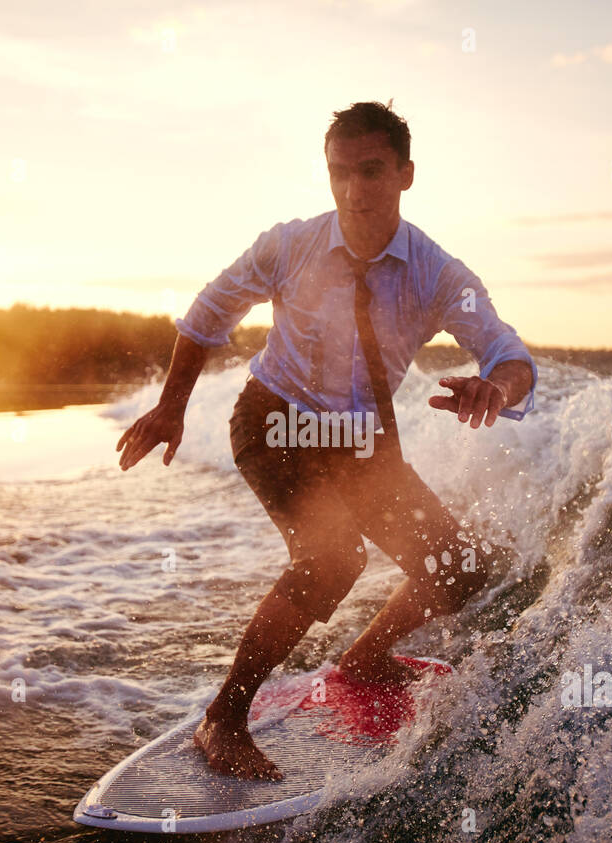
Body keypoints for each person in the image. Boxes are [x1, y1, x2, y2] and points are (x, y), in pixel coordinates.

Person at [115, 101, 537, 780]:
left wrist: (498, 389)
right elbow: (209, 311)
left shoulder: (437, 275)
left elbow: (508, 354)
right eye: (340, 173)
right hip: (274, 420)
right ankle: (223, 715)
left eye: (371, 172)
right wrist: (171, 405)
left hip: (358, 441)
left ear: (405, 174)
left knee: (459, 563)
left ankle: (366, 657)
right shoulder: (291, 245)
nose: (353, 190)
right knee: (332, 558)